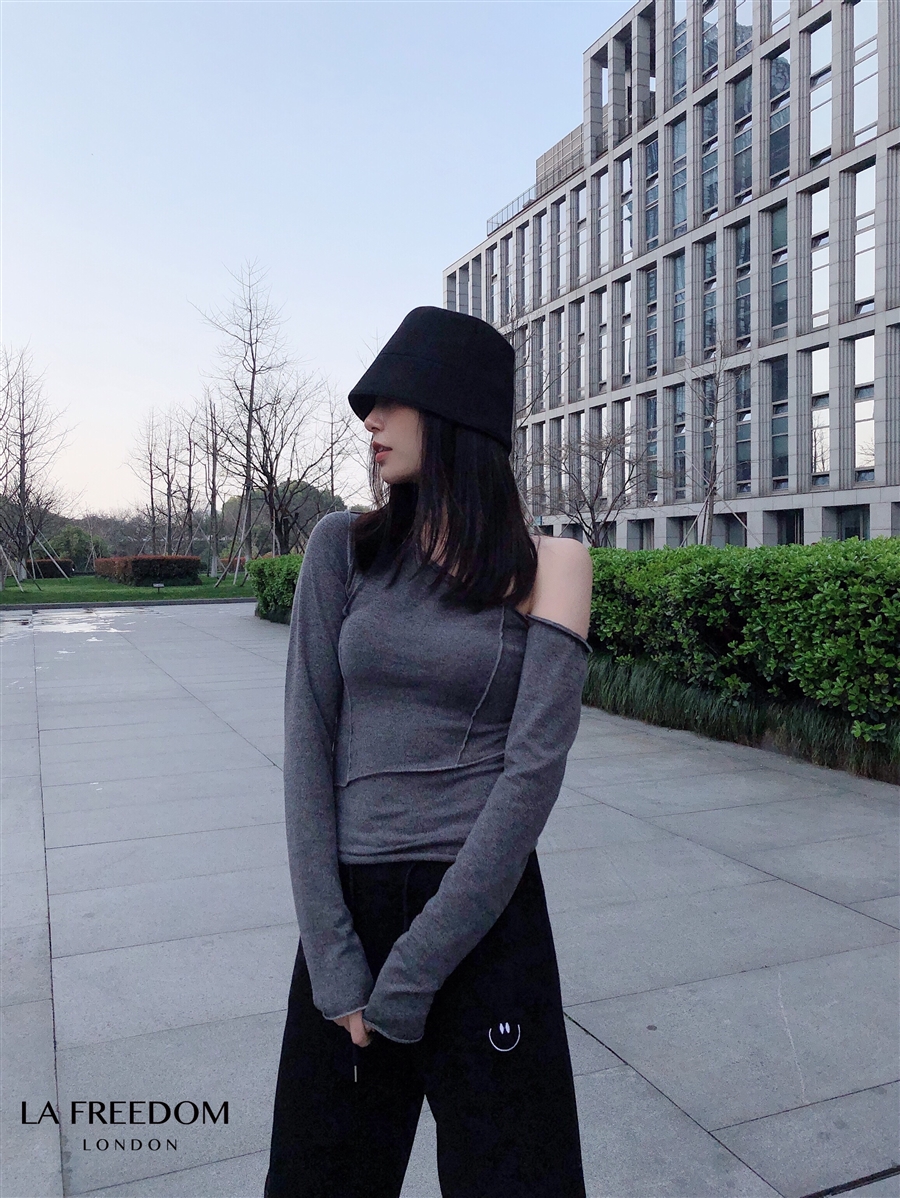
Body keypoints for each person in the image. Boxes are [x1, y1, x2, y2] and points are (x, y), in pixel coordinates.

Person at [264, 306, 593, 1198]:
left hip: (484, 919)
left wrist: (416, 970)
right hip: (351, 919)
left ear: (454, 412)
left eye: (390, 400)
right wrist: (335, 959)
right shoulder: (343, 549)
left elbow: (531, 776)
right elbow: (307, 746)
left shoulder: (552, 567)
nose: (369, 420)